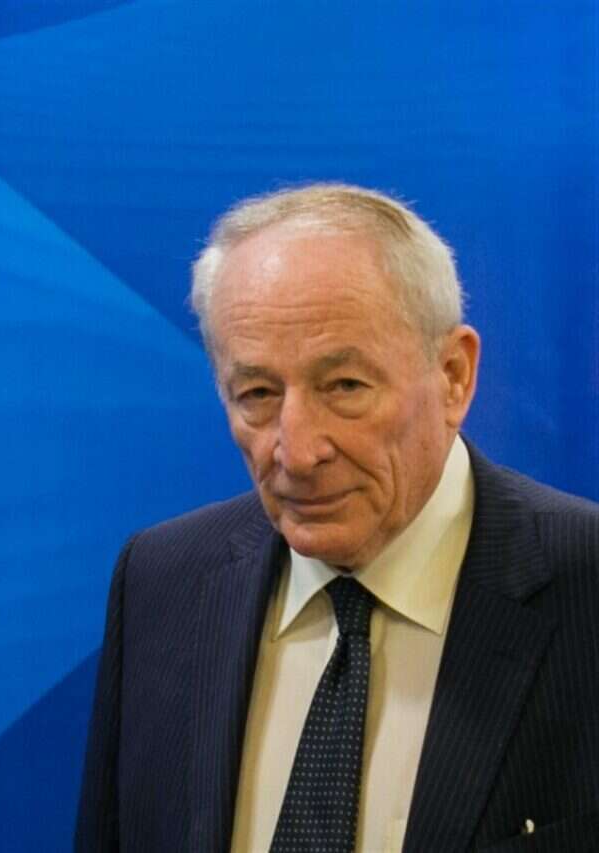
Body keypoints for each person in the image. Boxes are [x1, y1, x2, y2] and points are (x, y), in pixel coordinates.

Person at [75, 184, 599, 852]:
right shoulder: (160, 582)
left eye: (345, 386)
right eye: (257, 393)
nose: (296, 452)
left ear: (453, 376)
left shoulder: (587, 590)